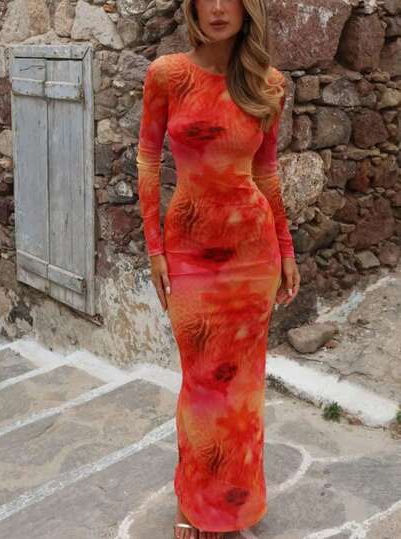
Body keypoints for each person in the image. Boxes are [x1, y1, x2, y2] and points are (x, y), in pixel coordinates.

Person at [136, 0, 301, 536]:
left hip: (253, 257)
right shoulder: (168, 74)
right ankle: (194, 499)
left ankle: (236, 505)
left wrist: (287, 249)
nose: (216, 7)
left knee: (244, 391)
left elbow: (266, 170)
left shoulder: (268, 84)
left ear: (247, 8)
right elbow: (147, 157)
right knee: (203, 385)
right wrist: (155, 248)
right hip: (188, 252)